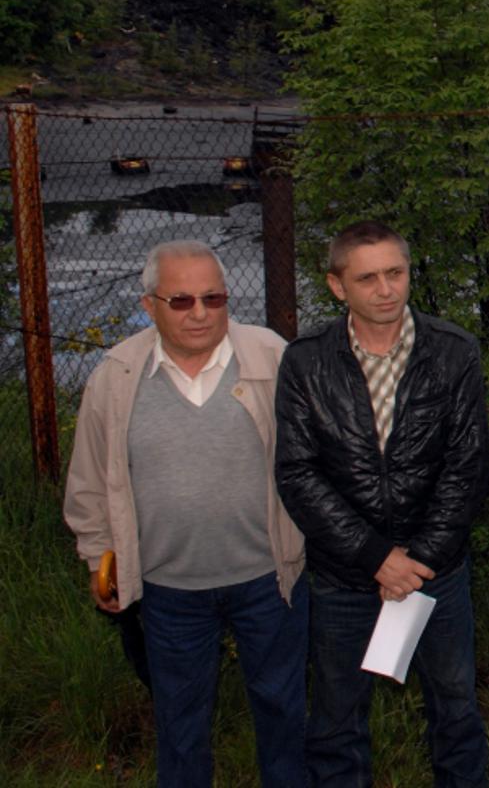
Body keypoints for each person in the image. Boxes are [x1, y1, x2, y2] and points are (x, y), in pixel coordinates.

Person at [64, 240, 307, 787]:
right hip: (167, 588)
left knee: (284, 714)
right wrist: (99, 559)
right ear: (149, 306)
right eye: (181, 301)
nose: (200, 313)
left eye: (213, 298)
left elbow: (315, 457)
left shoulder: (271, 356)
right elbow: (88, 481)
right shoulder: (116, 375)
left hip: (269, 580)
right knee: (179, 726)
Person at [275, 220, 489, 787]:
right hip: (344, 577)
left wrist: (418, 562)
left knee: (456, 709)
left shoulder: (454, 351)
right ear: (337, 285)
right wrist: (376, 557)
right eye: (367, 278)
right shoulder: (305, 361)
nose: (386, 289)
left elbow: (468, 467)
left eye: (395, 273)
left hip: (436, 573)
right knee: (336, 719)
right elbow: (297, 473)